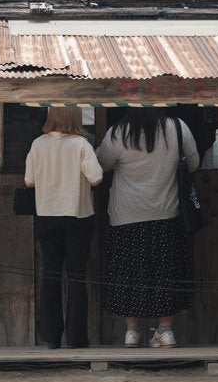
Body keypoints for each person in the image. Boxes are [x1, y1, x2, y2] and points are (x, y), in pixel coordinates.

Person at [96, 108, 198, 348]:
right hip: (167, 212)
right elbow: (193, 163)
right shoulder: (178, 127)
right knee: (166, 274)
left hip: (126, 215)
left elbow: (101, 164)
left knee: (128, 274)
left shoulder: (118, 132)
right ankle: (165, 331)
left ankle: (132, 332)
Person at [24, 107, 104, 349]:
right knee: (77, 274)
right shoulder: (81, 144)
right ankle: (77, 338)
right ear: (75, 117)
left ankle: (51, 337)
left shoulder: (38, 144)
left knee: (50, 273)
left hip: (47, 213)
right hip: (77, 214)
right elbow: (96, 177)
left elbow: (29, 181)